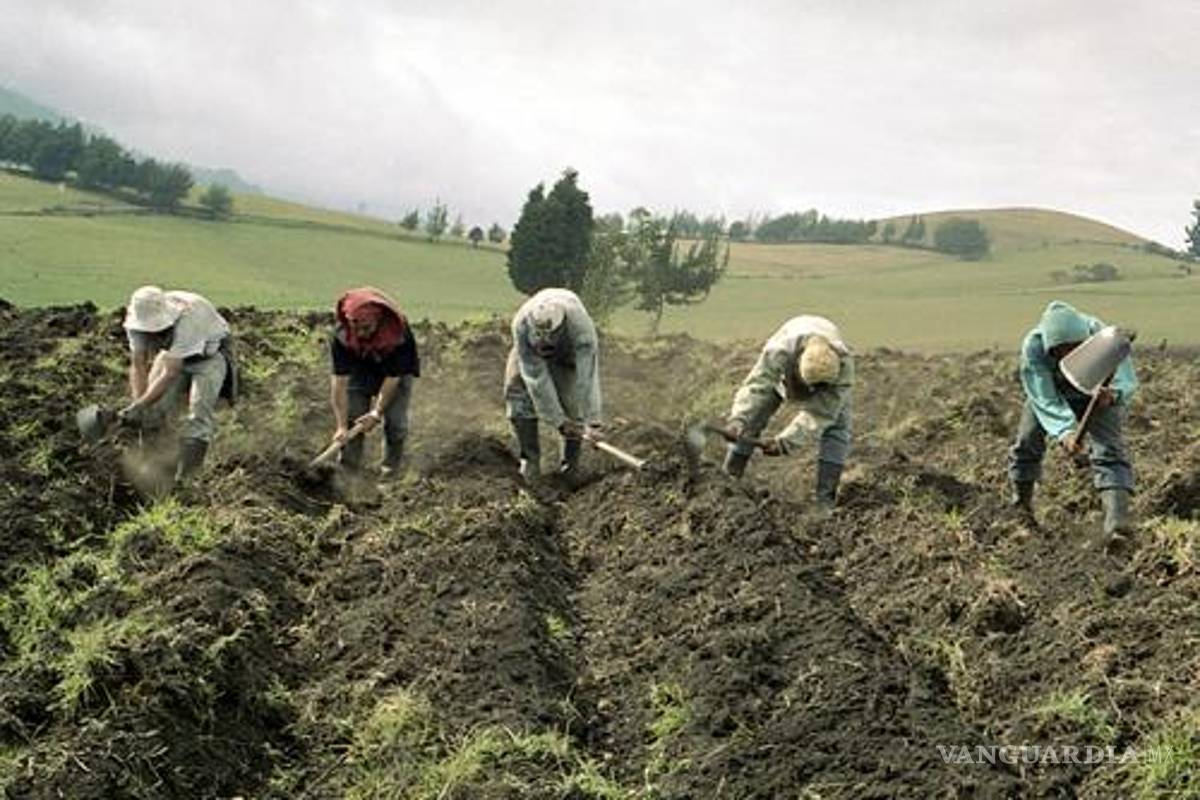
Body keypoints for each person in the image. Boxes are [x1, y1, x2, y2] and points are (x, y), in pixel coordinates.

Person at [1008, 300, 1137, 538]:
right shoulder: (1034, 347)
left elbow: (1125, 377)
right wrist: (1065, 432)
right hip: (1054, 393)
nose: (1069, 354)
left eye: (1075, 348)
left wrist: (1113, 394)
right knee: (1027, 442)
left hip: (1097, 393)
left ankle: (1116, 525)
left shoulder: (1103, 337)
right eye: (1062, 351)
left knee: (1110, 451)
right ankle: (1021, 509)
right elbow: (1044, 397)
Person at [722, 315, 854, 510]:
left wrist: (785, 442)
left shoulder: (844, 366)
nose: (812, 394)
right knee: (755, 414)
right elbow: (757, 385)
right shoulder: (779, 351)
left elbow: (821, 414)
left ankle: (825, 499)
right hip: (785, 374)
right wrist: (738, 419)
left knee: (837, 429)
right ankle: (731, 474)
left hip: (824, 383)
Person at [120, 285, 236, 480]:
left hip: (208, 357)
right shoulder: (136, 325)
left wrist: (140, 405)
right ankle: (152, 465)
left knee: (199, 412)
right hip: (170, 355)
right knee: (154, 409)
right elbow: (138, 364)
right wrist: (139, 406)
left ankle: (187, 478)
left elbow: (171, 373)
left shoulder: (189, 319)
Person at [504, 288, 603, 481]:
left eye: (550, 335)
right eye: (540, 335)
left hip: (568, 354)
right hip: (529, 355)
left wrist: (593, 422)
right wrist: (557, 420)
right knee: (518, 394)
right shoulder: (521, 325)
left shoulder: (582, 330)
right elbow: (536, 377)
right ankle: (530, 462)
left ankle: (570, 467)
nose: (545, 341)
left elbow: (587, 377)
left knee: (572, 404)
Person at [329, 287, 419, 477]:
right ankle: (347, 471)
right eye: (356, 327)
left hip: (393, 373)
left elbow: (393, 377)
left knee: (396, 423)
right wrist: (341, 426)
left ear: (378, 321)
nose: (360, 333)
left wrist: (376, 412)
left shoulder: (399, 334)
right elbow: (339, 382)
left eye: (367, 328)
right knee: (353, 416)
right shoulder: (342, 336)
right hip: (360, 369)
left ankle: (390, 468)